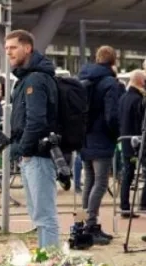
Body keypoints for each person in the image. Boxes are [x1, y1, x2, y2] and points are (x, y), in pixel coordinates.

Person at [6, 30, 60, 248]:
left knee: (44, 215)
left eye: (13, 47)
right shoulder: (26, 77)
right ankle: (46, 259)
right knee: (38, 214)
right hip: (32, 153)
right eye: (7, 48)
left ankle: (52, 264)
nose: (8, 52)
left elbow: (36, 120)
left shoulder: (35, 79)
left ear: (27, 48)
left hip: (38, 154)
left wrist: (24, 149)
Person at [78, 45, 123, 244]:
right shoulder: (109, 83)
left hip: (84, 136)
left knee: (89, 181)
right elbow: (111, 114)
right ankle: (91, 224)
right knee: (101, 183)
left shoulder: (85, 79)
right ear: (113, 61)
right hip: (102, 137)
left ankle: (82, 223)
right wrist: (116, 133)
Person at [119, 70, 146, 218]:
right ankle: (139, 203)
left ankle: (125, 206)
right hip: (136, 141)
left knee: (127, 174)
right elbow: (140, 121)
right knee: (131, 172)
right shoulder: (138, 99)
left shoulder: (124, 97)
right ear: (141, 82)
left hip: (125, 139)